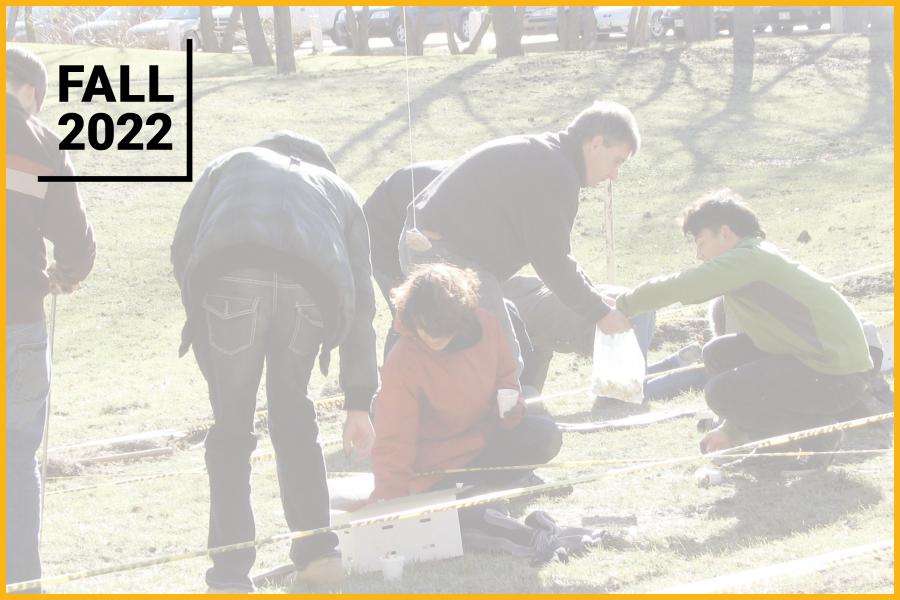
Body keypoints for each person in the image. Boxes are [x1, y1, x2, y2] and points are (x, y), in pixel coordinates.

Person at [171, 132, 378, 592]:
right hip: (312, 293)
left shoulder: (230, 161)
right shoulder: (337, 189)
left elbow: (185, 243)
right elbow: (362, 299)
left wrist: (201, 321)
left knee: (230, 431)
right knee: (293, 418)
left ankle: (229, 575)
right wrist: (359, 401)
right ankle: (318, 556)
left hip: (230, 280)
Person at [615, 190, 873, 473]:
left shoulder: (749, 260)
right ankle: (775, 446)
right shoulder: (755, 257)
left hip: (836, 376)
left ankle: (819, 434)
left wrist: (625, 305)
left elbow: (685, 285)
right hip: (815, 362)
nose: (699, 255)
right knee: (718, 353)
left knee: (720, 393)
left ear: (725, 233)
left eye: (701, 243)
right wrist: (732, 429)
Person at [399, 101, 641, 382]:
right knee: (503, 358)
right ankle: (504, 419)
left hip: (434, 248)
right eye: (617, 161)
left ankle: (509, 413)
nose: (614, 175)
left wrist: (596, 299)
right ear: (596, 144)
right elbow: (552, 261)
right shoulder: (555, 172)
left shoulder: (549, 158)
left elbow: (555, 253)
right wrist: (600, 312)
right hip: (444, 255)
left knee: (495, 349)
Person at [6, 48, 97, 591]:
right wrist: (64, 273)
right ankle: (20, 582)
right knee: (14, 458)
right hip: (14, 322)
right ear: (31, 92)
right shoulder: (35, 140)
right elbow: (77, 242)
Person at [370, 264, 562, 501]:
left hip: (482, 439)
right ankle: (473, 493)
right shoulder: (402, 361)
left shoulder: (488, 326)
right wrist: (390, 502)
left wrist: (509, 405)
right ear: (412, 317)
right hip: (436, 464)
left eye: (442, 333)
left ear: (461, 320)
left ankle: (491, 488)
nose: (432, 339)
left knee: (545, 434)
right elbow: (394, 440)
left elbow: (506, 375)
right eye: (425, 330)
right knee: (473, 506)